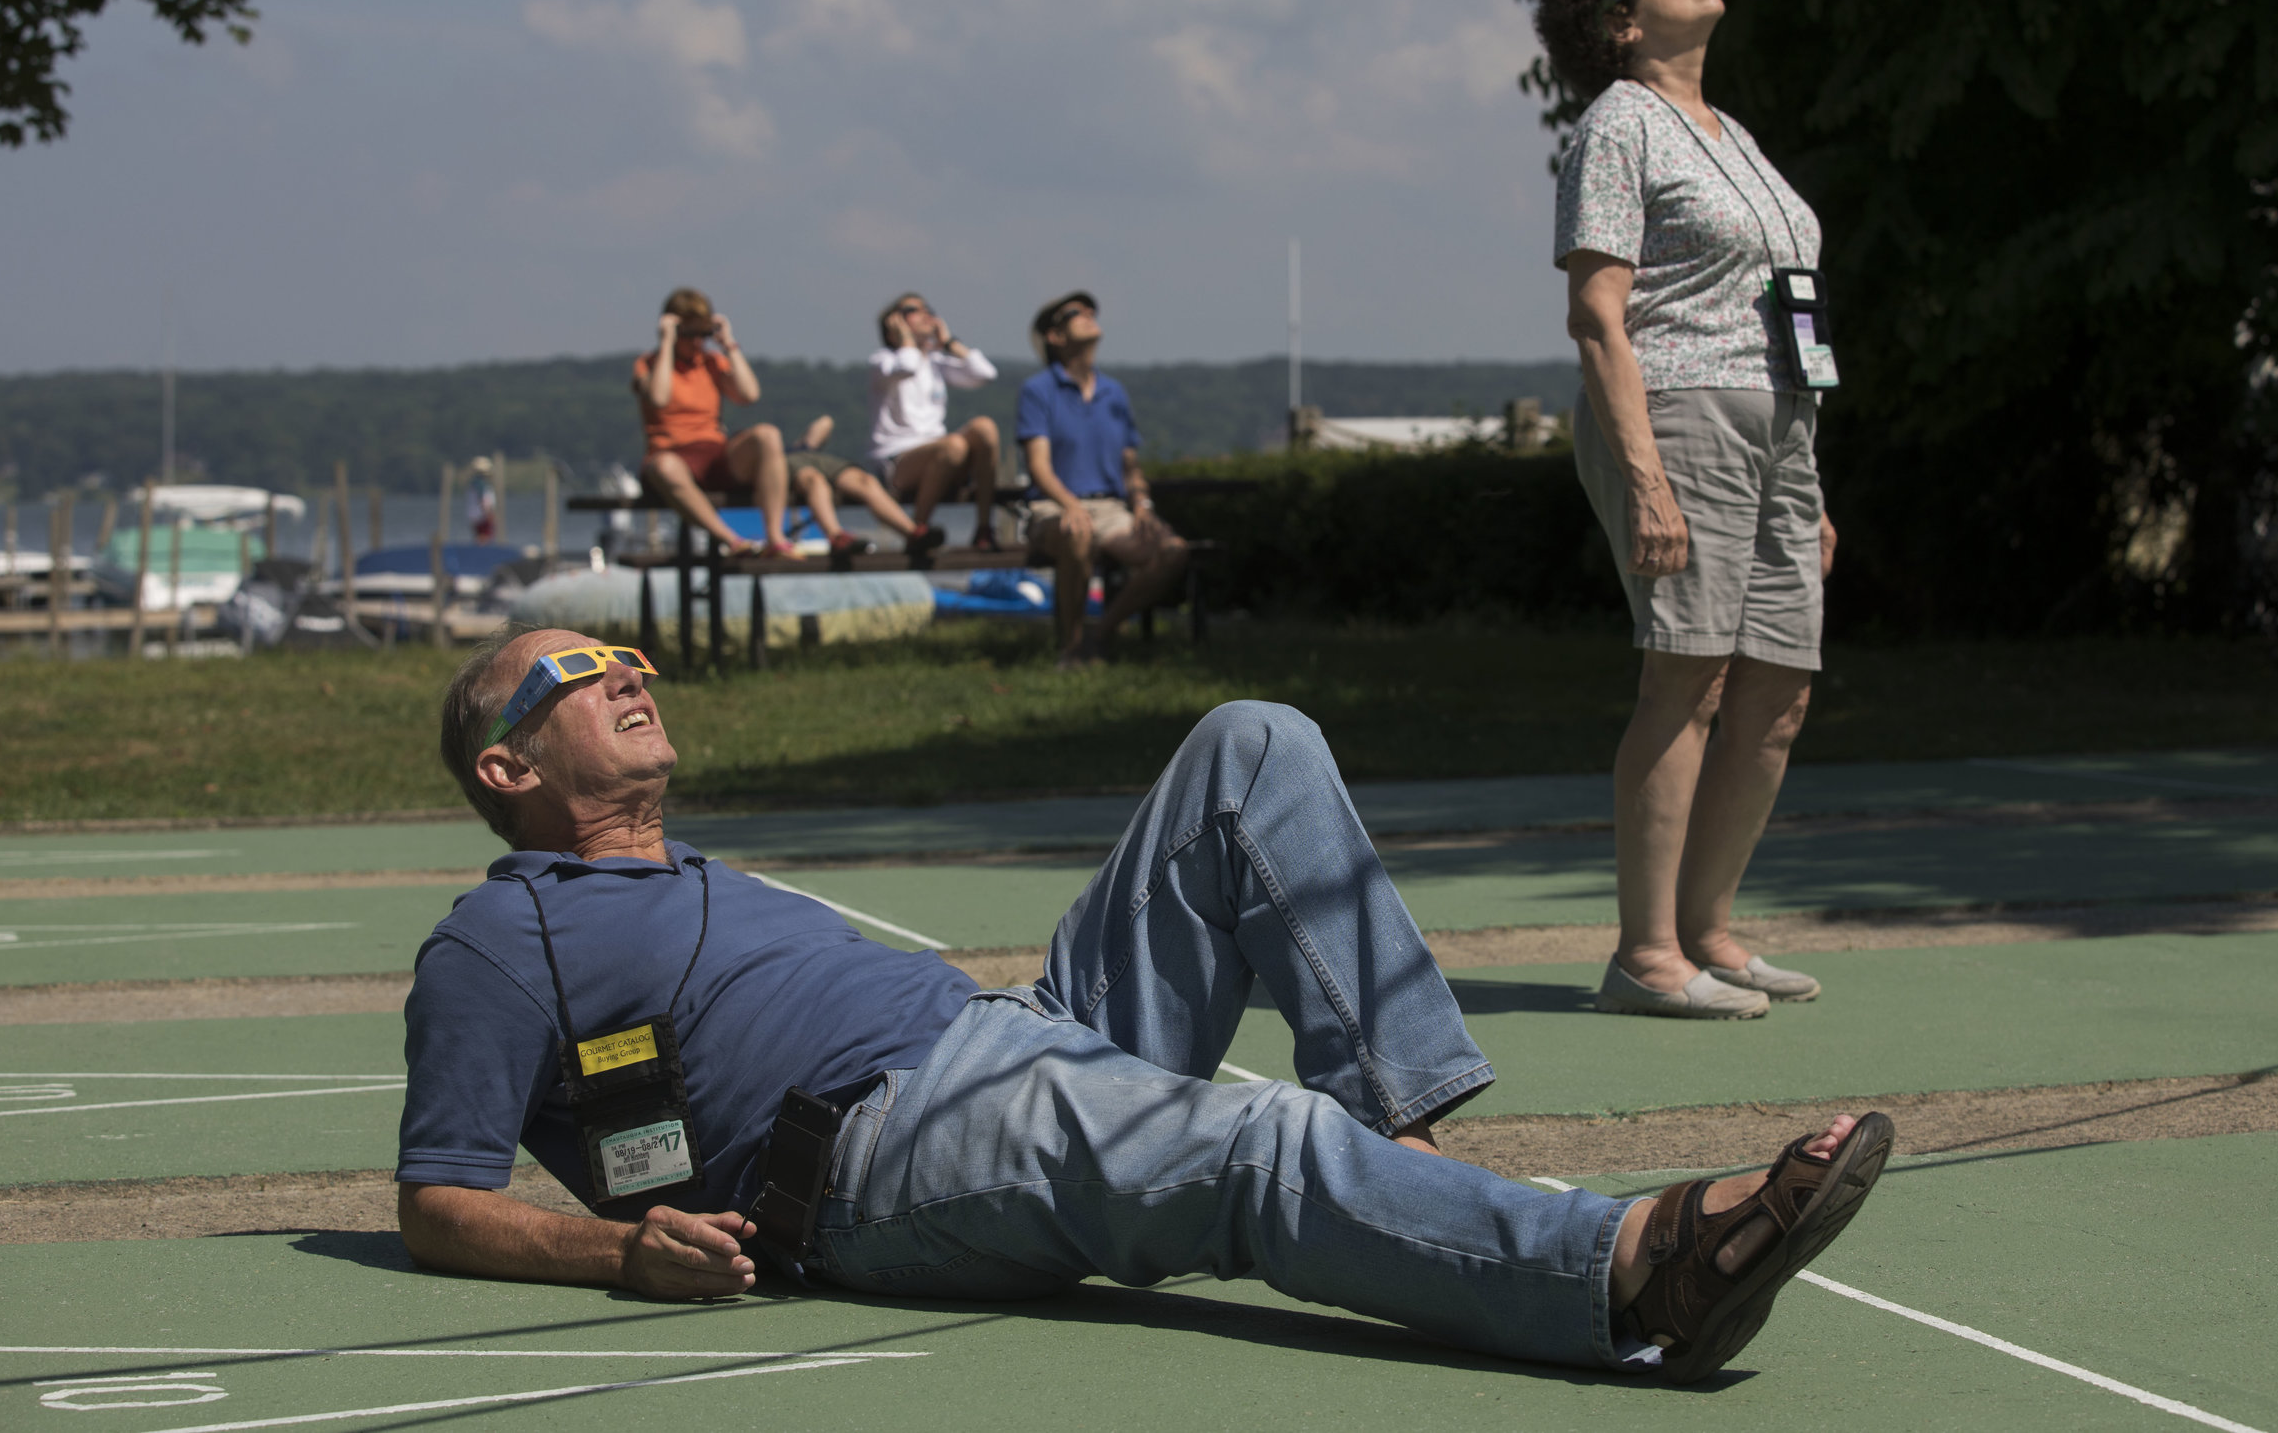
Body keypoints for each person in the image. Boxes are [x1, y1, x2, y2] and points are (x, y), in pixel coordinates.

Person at [398, 625, 1894, 1386]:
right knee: (1254, 1142)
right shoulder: (494, 937)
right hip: (874, 1153)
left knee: (1254, 744)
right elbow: (436, 1201)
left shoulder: (702, 867)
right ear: (508, 769)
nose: (628, 673)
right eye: (581, 672)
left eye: (630, 656)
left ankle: (1412, 1150)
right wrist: (614, 1246)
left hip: (1007, 1031)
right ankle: (1634, 1274)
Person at [1537, 0, 1840, 1020]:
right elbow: (1598, 315)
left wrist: (1808, 484)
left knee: (1777, 691)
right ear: (1621, 22)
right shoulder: (1619, 126)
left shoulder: (1731, 132)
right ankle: (1645, 953)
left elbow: (1787, 317)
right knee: (1692, 675)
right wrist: (1646, 477)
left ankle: (1709, 928)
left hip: (1776, 429)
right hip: (1679, 417)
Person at [632, 289, 939, 562]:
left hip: (714, 450)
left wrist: (728, 344)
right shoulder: (649, 363)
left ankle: (774, 538)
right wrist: (667, 343)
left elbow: (749, 394)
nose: (697, 342)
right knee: (667, 467)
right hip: (669, 454)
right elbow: (658, 398)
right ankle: (731, 540)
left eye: (702, 333)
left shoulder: (711, 362)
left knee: (768, 434)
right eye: (690, 334)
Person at [1017, 291, 1187, 666]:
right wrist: (1071, 505)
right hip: (1052, 506)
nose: (1089, 314)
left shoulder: (1114, 392)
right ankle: (1072, 647)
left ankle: (1100, 634)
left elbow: (1130, 463)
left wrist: (1142, 504)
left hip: (1110, 508)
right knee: (1076, 532)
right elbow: (1039, 467)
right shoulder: (1038, 391)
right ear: (1054, 337)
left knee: (1172, 550)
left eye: (1091, 309)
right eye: (1075, 312)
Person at [868, 293, 1002, 551]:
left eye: (927, 308)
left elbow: (985, 374)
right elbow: (906, 367)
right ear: (894, 323)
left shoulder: (936, 363)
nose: (926, 314)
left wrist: (949, 342)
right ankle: (918, 529)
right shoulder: (882, 361)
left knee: (985, 428)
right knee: (953, 445)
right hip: (897, 461)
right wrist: (905, 339)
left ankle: (985, 527)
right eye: (912, 310)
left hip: (944, 456)